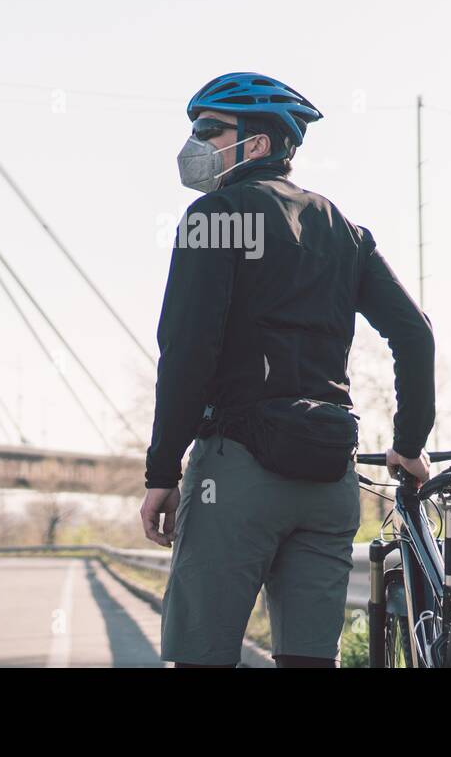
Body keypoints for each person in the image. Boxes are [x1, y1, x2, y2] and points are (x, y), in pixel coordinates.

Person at [140, 71, 435, 668]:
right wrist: (409, 443)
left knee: (204, 655)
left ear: (255, 143)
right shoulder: (345, 231)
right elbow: (414, 333)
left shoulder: (214, 216)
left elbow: (187, 351)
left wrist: (162, 471)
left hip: (238, 472)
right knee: (309, 660)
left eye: (207, 130)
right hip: (330, 478)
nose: (194, 144)